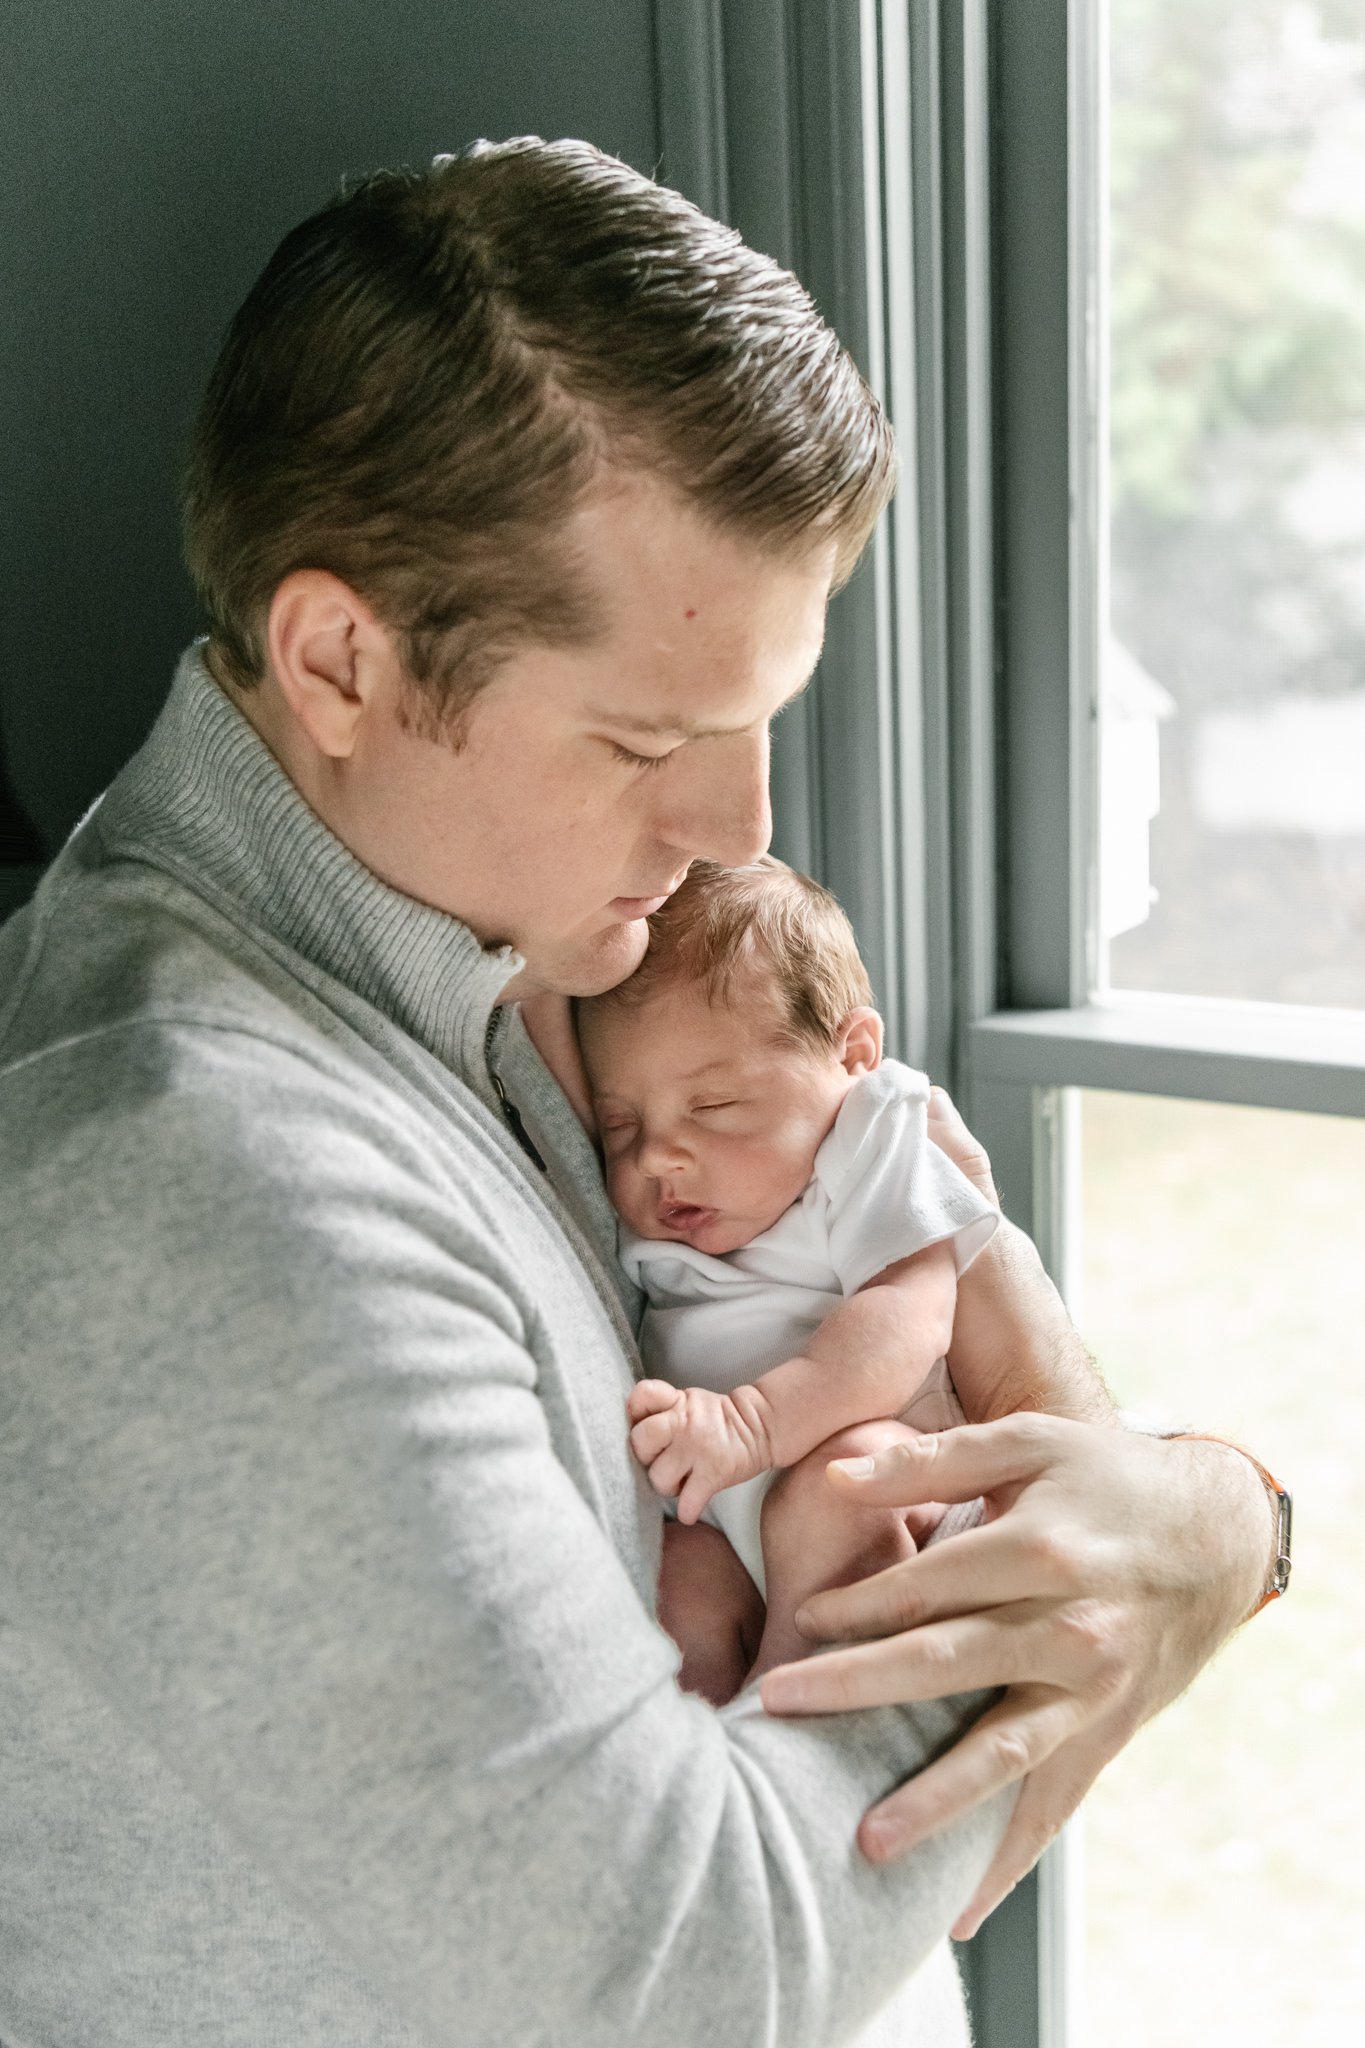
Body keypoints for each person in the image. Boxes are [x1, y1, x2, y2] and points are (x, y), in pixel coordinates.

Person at [0, 138, 1280, 2048]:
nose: (738, 827)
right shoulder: (188, 1175)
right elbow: (690, 1971)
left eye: (764, 718)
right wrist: (1139, 1572)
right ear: (340, 657)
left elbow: (957, 1284)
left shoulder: (507, 942)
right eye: (647, 737)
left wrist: (1206, 1512)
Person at [575, 854, 998, 1698]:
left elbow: (910, 1310)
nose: (656, 1154)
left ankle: (792, 1705)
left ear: (852, 1054)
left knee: (844, 1486)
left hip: (876, 1458)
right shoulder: (665, 1205)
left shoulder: (870, 1135)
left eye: (714, 1107)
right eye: (620, 1124)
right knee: (673, 1587)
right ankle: (711, 1751)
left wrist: (756, 1424)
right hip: (716, 1507)